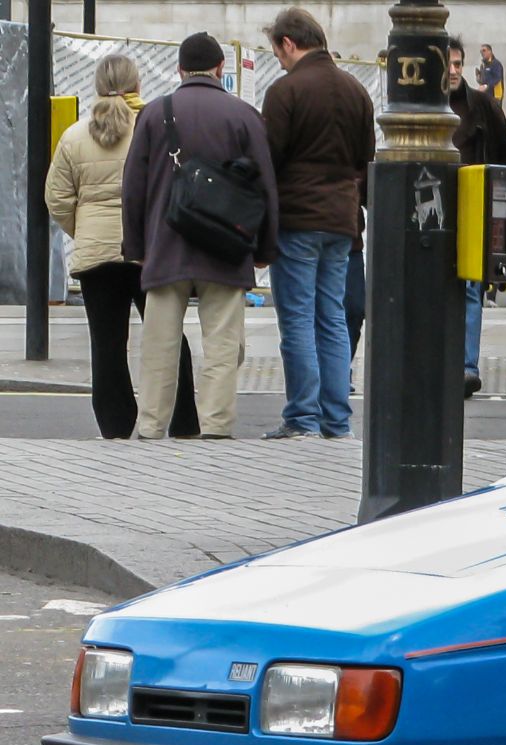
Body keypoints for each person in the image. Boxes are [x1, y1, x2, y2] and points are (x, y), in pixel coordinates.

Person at [121, 32, 278, 440]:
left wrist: (136, 248)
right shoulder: (244, 115)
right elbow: (266, 188)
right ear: (221, 68)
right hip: (225, 247)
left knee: (158, 345)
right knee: (223, 345)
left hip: (166, 244)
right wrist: (263, 249)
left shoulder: (155, 114)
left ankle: (151, 425)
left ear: (179, 69)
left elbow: (133, 186)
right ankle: (216, 427)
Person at [46, 54, 199, 439]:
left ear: (98, 85)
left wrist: (84, 230)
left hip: (97, 258)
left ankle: (115, 427)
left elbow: (57, 198)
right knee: (168, 337)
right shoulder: (156, 127)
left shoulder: (74, 135)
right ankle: (182, 422)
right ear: (138, 84)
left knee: (107, 344)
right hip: (150, 250)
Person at [259, 7, 375, 441]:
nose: (280, 62)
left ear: (289, 43)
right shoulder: (356, 90)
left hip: (297, 219)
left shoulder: (285, 91)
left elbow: (269, 160)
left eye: (279, 53)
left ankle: (302, 417)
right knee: (332, 318)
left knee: (297, 320)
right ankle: (337, 420)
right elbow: (366, 158)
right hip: (342, 221)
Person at [448, 36, 506, 397]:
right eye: (447, 64)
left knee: (470, 290)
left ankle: (467, 367)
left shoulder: (480, 105)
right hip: (432, 214)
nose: (453, 71)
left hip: (473, 212)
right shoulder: (420, 108)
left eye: (457, 64)